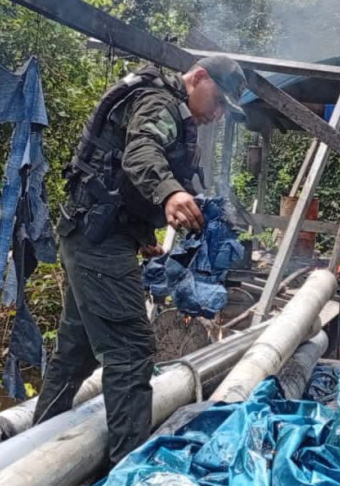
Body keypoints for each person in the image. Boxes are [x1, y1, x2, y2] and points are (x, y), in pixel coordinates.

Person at [33, 55, 247, 464]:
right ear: (198, 77)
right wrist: (170, 193)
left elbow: (122, 179)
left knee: (76, 351)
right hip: (97, 240)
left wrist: (142, 234)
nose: (217, 114)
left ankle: (35, 449)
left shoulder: (169, 107)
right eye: (217, 101)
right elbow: (140, 154)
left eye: (224, 110)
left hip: (96, 235)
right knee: (132, 350)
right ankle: (126, 471)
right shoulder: (159, 103)